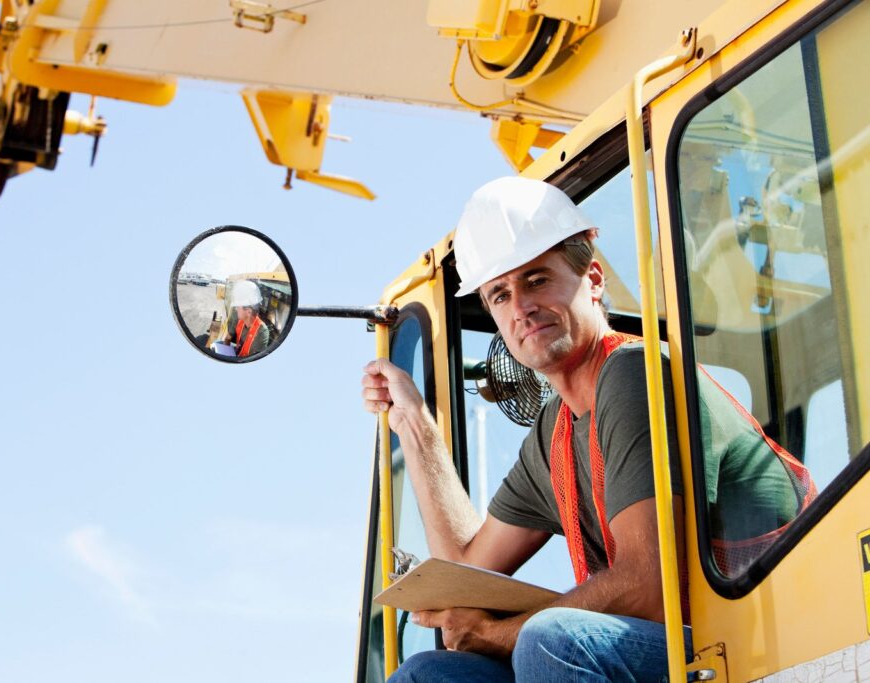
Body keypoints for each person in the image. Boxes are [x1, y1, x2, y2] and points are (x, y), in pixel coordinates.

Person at [361, 177, 813, 682]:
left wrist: (494, 634)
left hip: (753, 641)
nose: (521, 309)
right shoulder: (555, 432)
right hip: (677, 651)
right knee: (428, 674)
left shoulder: (632, 375)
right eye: (500, 295)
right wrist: (417, 429)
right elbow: (466, 578)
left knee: (551, 642)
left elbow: (648, 587)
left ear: (593, 278)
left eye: (537, 280)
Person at [224, 280, 270, 357]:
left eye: (238, 307)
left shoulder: (262, 332)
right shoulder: (238, 320)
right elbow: (227, 338)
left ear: (248, 312)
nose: (236, 309)